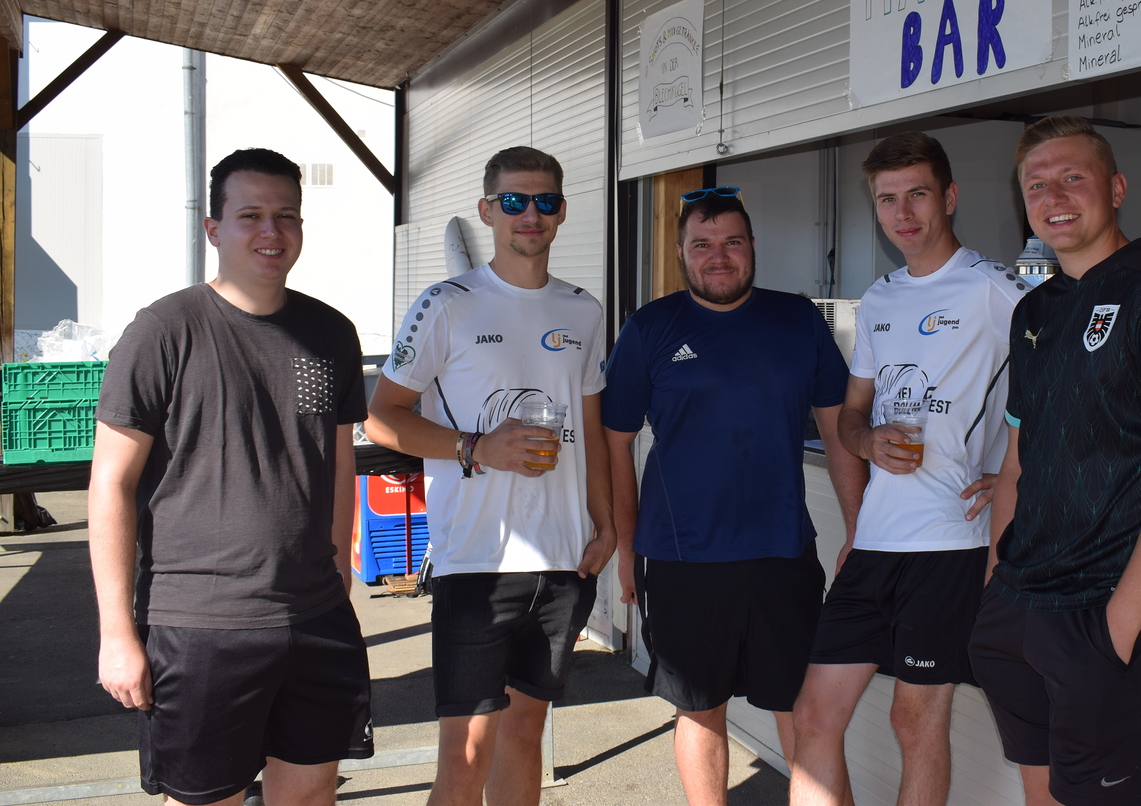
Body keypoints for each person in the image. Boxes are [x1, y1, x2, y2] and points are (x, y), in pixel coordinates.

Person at [89, 148, 372, 806]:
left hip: (315, 615)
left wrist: (339, 577)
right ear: (214, 229)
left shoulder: (330, 333)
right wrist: (116, 634)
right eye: (250, 215)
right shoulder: (163, 331)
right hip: (200, 625)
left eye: (286, 216)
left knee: (312, 791)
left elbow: (338, 462)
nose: (272, 231)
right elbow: (110, 485)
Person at [969, 116, 1141, 806]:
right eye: (1036, 184)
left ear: (1116, 188)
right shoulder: (1034, 312)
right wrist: (995, 589)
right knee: (1041, 792)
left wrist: (1118, 629)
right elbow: (1017, 464)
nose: (1053, 196)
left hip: (1100, 608)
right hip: (1018, 607)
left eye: (1072, 177)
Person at [364, 146, 613, 806]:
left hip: (563, 559)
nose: (530, 214)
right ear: (487, 210)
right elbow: (382, 419)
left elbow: (590, 431)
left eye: (544, 201)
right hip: (477, 561)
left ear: (562, 212)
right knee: (466, 750)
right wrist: (476, 448)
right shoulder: (446, 304)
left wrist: (607, 524)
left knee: (524, 736)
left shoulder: (584, 311)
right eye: (513, 201)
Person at [790, 133, 1028, 806]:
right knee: (813, 714)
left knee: (914, 720)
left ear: (949, 197)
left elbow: (1072, 385)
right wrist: (867, 443)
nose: (903, 213)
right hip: (875, 542)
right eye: (887, 199)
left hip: (951, 544)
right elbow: (850, 415)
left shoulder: (993, 289)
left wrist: (1020, 475)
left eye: (917, 194)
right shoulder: (881, 298)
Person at [600, 187, 859, 806]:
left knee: (801, 707)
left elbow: (839, 431)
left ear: (752, 247)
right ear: (682, 253)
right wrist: (626, 551)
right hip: (682, 556)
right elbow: (615, 445)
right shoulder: (649, 328)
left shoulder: (798, 320)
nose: (718, 256)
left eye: (732, 242)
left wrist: (860, 530)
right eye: (702, 245)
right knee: (699, 708)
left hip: (782, 552)